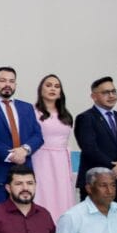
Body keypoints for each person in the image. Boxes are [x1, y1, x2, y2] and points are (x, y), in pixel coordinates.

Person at [0, 67, 44, 211]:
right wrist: (10, 155)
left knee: (22, 218)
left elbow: (37, 135)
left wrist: (24, 150)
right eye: (2, 80)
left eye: (11, 81)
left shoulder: (27, 107)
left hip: (24, 176)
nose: (7, 84)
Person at [75, 76, 117, 205]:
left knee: (116, 216)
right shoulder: (86, 118)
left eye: (114, 91)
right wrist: (114, 167)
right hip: (95, 182)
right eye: (105, 92)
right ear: (94, 96)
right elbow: (90, 149)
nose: (111, 95)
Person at [31, 73, 76, 221]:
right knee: (43, 193)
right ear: (41, 89)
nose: (53, 89)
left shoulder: (66, 115)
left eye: (57, 86)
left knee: (62, 195)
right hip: (41, 159)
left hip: (62, 162)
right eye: (48, 85)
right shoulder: (32, 112)